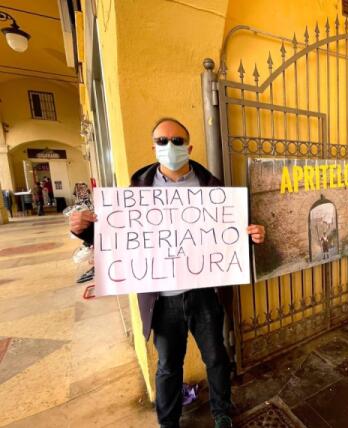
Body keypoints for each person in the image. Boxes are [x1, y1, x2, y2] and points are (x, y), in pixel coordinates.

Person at [69, 118, 266, 428]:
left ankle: (221, 412)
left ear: (189, 146)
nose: (170, 147)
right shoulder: (137, 191)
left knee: (216, 358)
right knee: (168, 366)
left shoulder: (212, 188)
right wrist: (83, 230)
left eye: (177, 141)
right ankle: (168, 422)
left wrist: (251, 237)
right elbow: (116, 236)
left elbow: (228, 236)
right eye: (162, 141)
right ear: (154, 148)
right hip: (162, 300)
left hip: (205, 294)